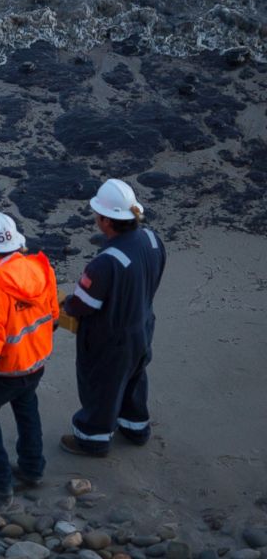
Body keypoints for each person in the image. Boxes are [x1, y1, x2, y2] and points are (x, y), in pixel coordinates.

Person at [60, 178, 166, 457]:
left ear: (106, 221)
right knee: (134, 378)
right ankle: (135, 428)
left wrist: (62, 306)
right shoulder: (153, 240)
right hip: (143, 327)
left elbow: (82, 305)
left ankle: (92, 439)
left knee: (102, 388)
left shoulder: (105, 263)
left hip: (111, 339)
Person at [0, 211, 60, 506]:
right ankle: (32, 470)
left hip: (5, 371)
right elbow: (53, 316)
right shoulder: (41, 269)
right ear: (17, 244)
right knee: (27, 409)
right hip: (36, 362)